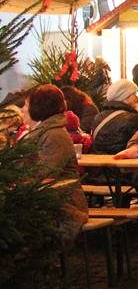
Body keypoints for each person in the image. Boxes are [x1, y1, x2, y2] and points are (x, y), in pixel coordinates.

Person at [20, 85, 89, 242]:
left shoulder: (54, 135)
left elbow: (45, 174)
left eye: (26, 105)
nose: (22, 110)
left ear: (38, 108)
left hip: (64, 204)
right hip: (43, 199)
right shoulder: (38, 133)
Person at [89, 79, 138, 154]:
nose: (137, 98)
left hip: (100, 163)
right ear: (125, 96)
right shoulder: (132, 119)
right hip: (124, 163)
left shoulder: (98, 117)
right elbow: (137, 145)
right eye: (134, 94)